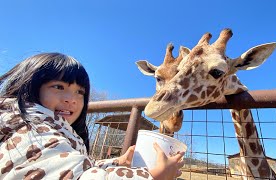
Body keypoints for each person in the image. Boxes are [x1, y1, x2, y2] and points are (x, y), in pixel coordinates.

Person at [0, 52, 185, 179]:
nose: (72, 99)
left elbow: (77, 165)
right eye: (59, 87)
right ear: (29, 87)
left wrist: (116, 162)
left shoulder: (54, 129)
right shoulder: (31, 133)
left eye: (80, 92)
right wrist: (153, 176)